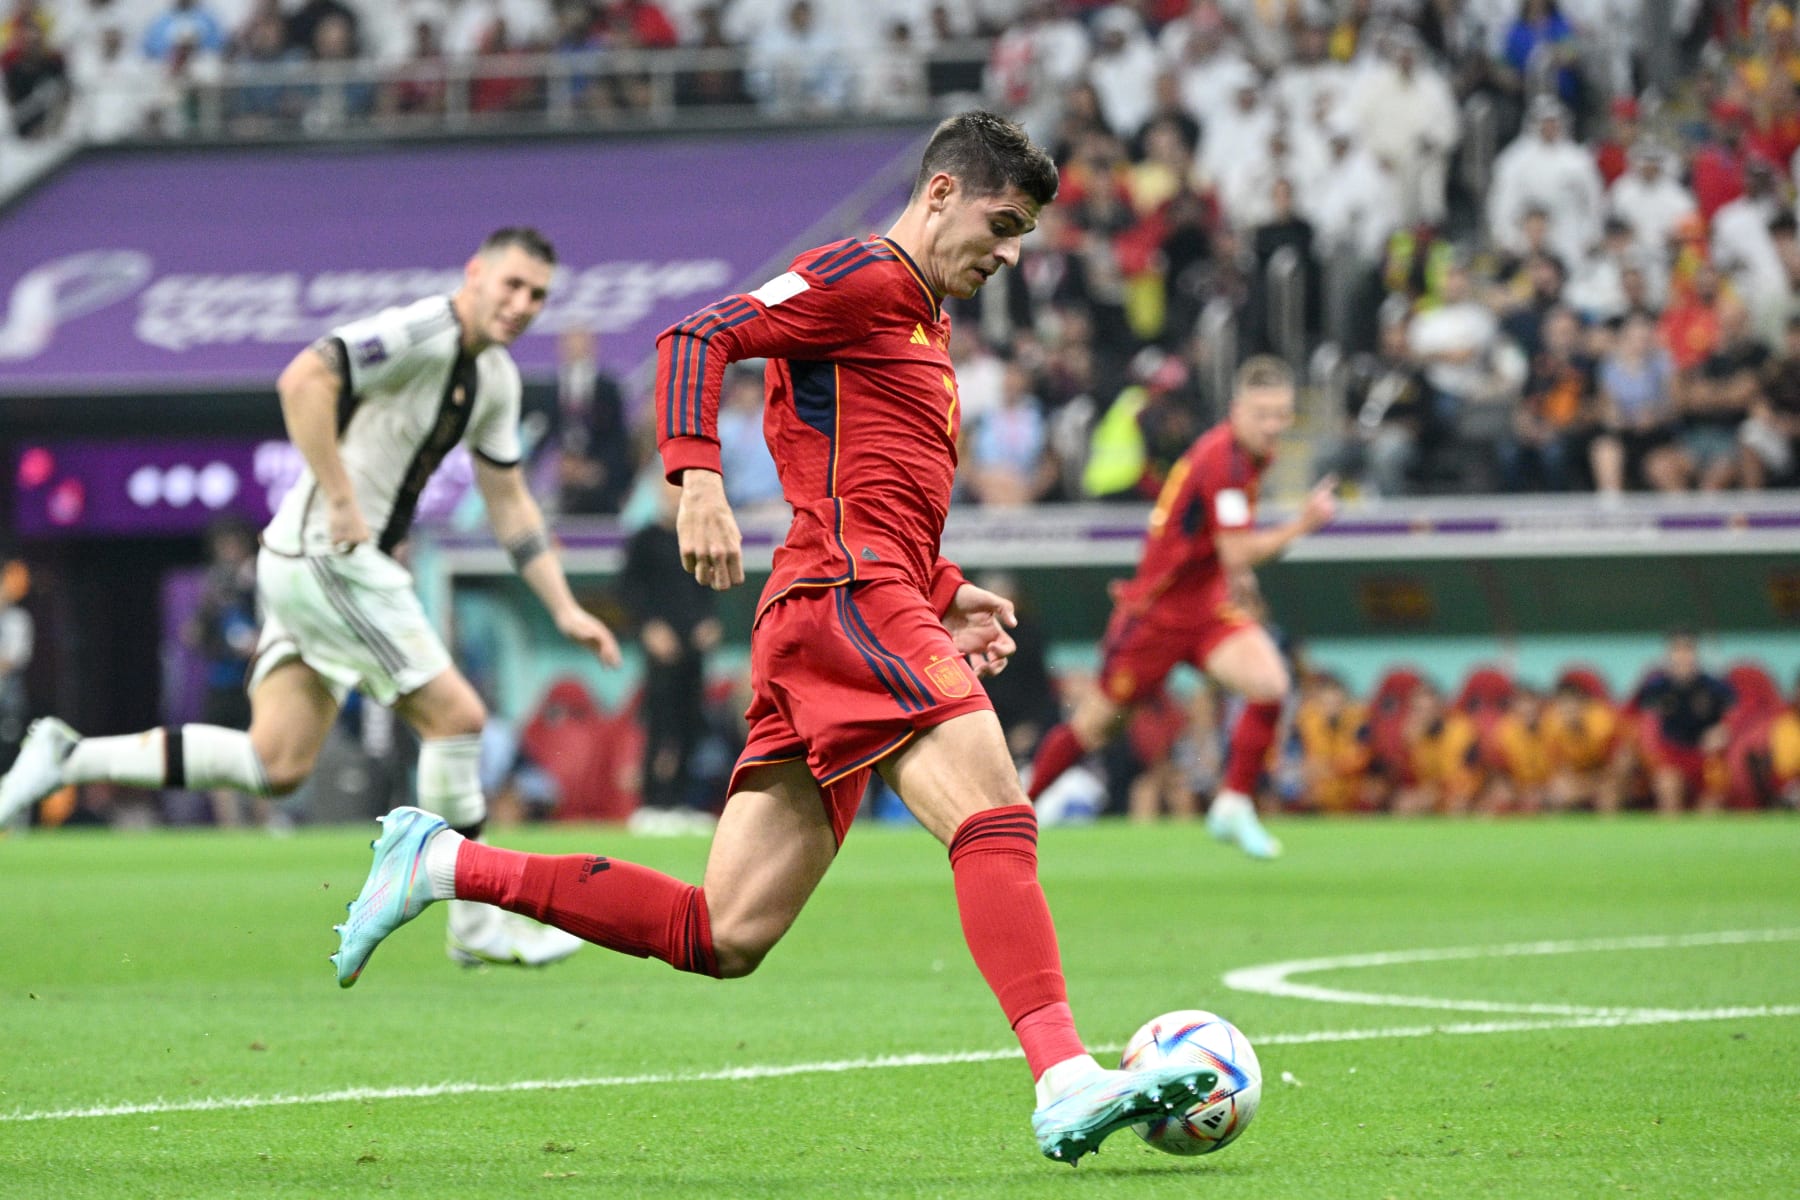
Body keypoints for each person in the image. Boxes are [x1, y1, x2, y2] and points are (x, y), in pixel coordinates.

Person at [322, 112, 1220, 1167]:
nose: (1012, 256)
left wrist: (945, 587)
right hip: (845, 594)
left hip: (858, 595)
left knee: (726, 931)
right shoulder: (866, 274)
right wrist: (696, 474)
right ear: (940, 193)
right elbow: (697, 337)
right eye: (1003, 222)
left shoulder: (922, 322)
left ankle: (444, 864)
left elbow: (863, 482)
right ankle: (1067, 1075)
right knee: (994, 809)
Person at [0, 228, 620, 968]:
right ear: (476, 274)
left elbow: (512, 504)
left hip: (312, 565)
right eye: (512, 285)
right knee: (458, 717)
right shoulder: (423, 329)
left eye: (537, 295)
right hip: (331, 557)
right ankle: (476, 927)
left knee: (276, 761)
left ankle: (68, 755)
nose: (521, 304)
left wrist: (563, 607)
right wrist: (339, 497)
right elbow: (304, 378)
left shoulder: (495, 380)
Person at [1026, 356, 1338, 860]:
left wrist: (1240, 579)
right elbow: (1236, 546)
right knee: (1097, 725)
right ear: (1236, 410)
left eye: (1282, 415)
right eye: (1263, 414)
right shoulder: (1224, 461)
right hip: (1155, 615)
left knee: (1271, 684)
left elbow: (1219, 543)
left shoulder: (1250, 456)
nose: (1274, 425)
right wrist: (1304, 523)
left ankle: (1233, 805)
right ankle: (1019, 809)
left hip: (1207, 607)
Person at [619, 479, 722, 832]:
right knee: (660, 725)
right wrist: (649, 627)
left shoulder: (698, 536)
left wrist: (710, 622)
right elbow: (626, 589)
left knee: (691, 724)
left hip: (693, 648)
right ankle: (653, 803)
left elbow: (709, 585)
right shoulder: (645, 539)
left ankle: (680, 802)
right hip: (661, 651)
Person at [1628, 630, 1735, 815]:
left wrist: (1723, 730)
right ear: (1668, 655)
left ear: (1696, 654)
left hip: (1706, 759)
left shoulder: (1715, 687)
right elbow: (1637, 719)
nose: (1683, 656)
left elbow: (1736, 717)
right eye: (1677, 650)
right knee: (1667, 784)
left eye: (1688, 650)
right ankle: (1668, 839)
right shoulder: (1655, 688)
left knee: (1712, 806)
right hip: (1672, 756)